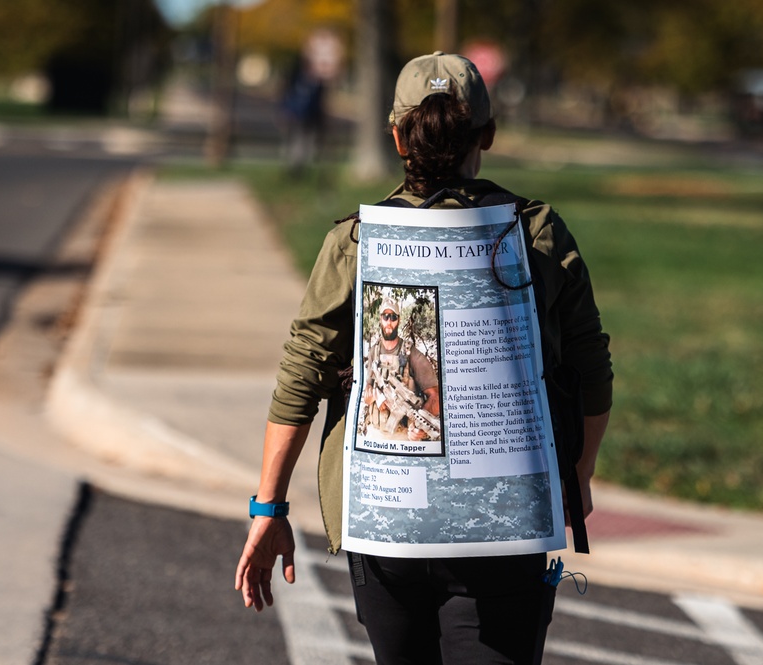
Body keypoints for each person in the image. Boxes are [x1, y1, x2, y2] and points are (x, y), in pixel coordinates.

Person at [236, 51, 613, 664]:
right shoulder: (535, 233)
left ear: (395, 135)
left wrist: (268, 507)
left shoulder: (356, 240)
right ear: (487, 134)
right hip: (504, 522)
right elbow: (591, 368)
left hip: (384, 522)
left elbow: (301, 372)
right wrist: (579, 474)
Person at [363, 296, 441, 441]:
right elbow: (368, 387)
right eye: (385, 316)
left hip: (402, 436)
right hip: (375, 433)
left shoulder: (412, 355)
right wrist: (374, 398)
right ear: (380, 319)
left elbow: (435, 396)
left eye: (393, 317)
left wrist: (418, 427)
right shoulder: (374, 351)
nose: (389, 322)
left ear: (398, 320)